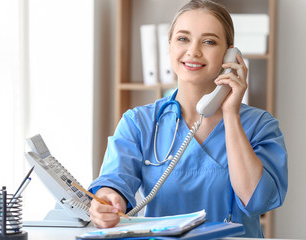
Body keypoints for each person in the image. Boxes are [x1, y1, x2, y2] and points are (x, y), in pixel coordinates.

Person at [88, 0, 288, 238]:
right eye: (183, 39)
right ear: (170, 45)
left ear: (230, 55)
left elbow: (257, 201)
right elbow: (115, 182)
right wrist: (109, 200)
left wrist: (231, 114)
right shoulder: (138, 122)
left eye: (209, 41)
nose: (193, 51)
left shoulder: (260, 126)